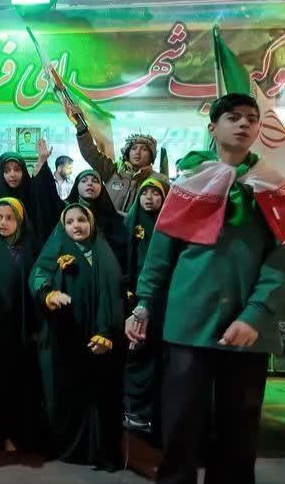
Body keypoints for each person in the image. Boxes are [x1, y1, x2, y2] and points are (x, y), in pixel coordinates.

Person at [125, 93, 285, 484]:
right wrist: (144, 304)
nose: (243, 124)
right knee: (181, 427)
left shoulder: (271, 186)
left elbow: (280, 259)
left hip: (248, 326)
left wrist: (256, 314)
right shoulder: (189, 184)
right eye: (233, 117)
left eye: (251, 118)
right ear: (212, 128)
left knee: (239, 432)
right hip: (189, 322)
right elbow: (160, 253)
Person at [29, 203, 123, 470]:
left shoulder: (103, 252)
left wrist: (106, 331)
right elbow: (38, 273)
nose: (76, 226)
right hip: (66, 337)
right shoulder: (57, 247)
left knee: (100, 394)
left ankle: (99, 450)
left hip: (98, 338)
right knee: (69, 393)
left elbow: (114, 293)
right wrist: (48, 294)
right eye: (69, 222)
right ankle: (70, 447)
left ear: (91, 223)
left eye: (81, 220)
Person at [0, 197, 39, 453]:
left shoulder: (29, 248)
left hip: (18, 328)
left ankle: (11, 432)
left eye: (9, 218)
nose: (3, 223)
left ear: (20, 221)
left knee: (15, 381)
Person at [121, 178, 167, 434]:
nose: (149, 198)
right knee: (136, 353)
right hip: (134, 301)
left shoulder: (170, 226)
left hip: (163, 302)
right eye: (145, 192)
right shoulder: (129, 225)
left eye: (155, 193)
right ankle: (134, 410)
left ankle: (154, 412)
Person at [73, 119, 168, 213]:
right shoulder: (112, 170)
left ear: (151, 155)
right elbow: (91, 154)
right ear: (127, 152)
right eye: (134, 148)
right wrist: (82, 129)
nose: (137, 152)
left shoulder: (158, 180)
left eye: (144, 149)